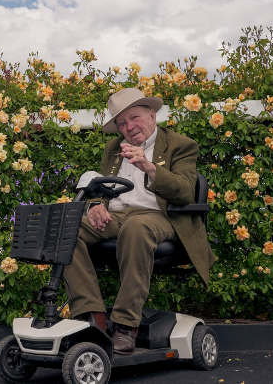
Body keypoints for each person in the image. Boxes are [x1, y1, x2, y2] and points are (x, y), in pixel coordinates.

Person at [64, 88, 213, 354]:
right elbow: (101, 186)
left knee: (136, 227)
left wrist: (150, 167)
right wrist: (96, 205)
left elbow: (186, 192)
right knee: (67, 229)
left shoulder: (181, 144)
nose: (129, 127)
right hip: (118, 215)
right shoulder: (113, 148)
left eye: (134, 117)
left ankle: (125, 324)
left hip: (161, 217)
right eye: (122, 123)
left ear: (152, 115)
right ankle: (92, 318)